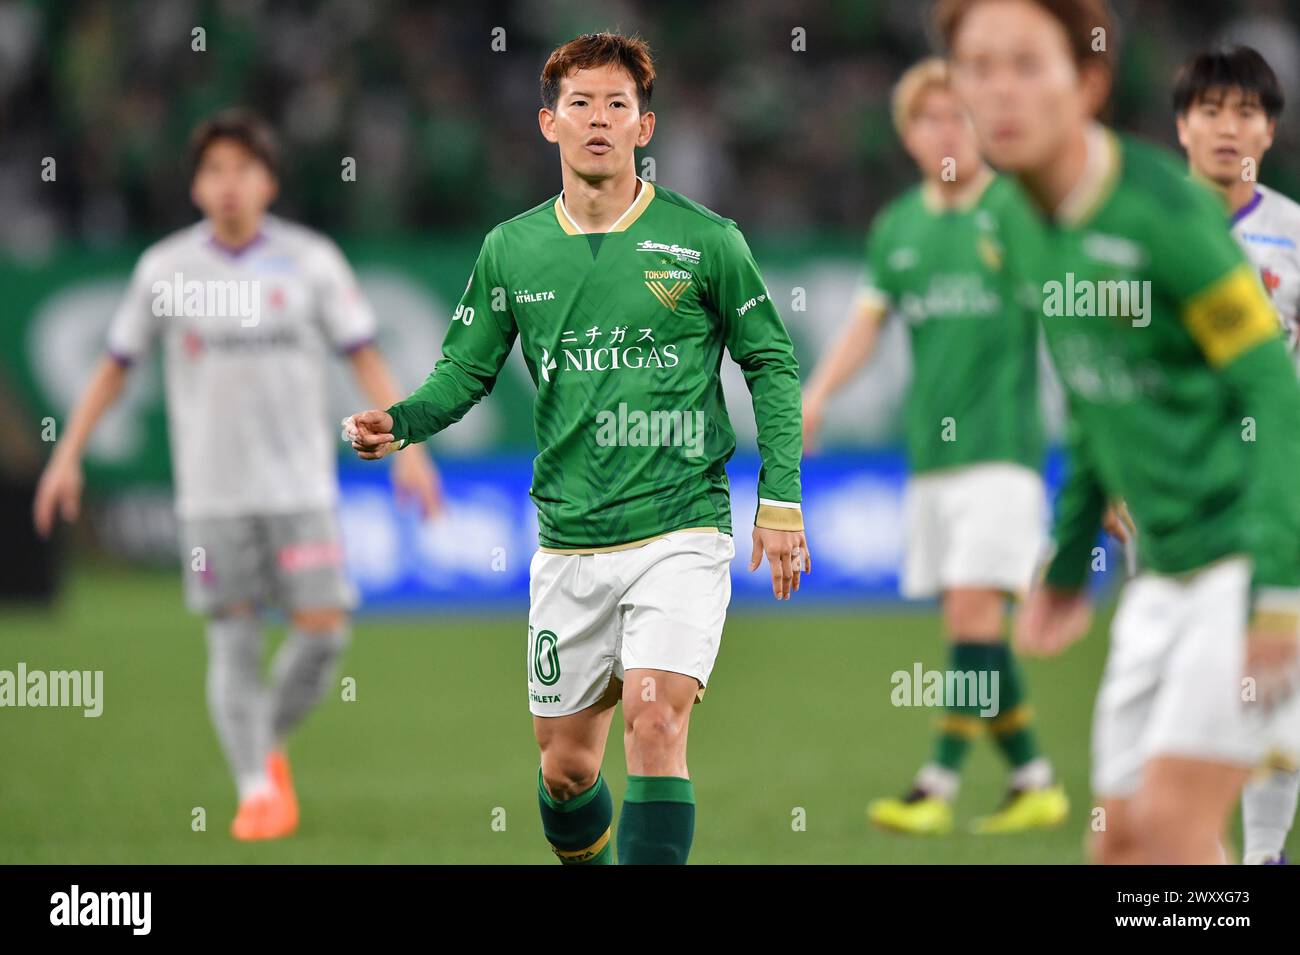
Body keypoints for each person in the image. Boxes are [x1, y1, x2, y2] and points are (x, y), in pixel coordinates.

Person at [344, 32, 808, 865]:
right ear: (547, 123)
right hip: (569, 539)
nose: (599, 118)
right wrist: (403, 420)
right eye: (581, 104)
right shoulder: (511, 250)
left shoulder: (706, 241)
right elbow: (465, 368)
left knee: (656, 720)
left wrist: (781, 498)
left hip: (683, 527)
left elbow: (770, 361)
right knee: (565, 768)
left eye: (617, 104)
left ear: (646, 126)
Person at [939, 0, 1300, 863]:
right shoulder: (1015, 225)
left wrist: (1280, 592)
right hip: (1161, 573)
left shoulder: (1167, 216)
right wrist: (1069, 559)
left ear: (1089, 81)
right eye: (977, 67)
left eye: (1026, 63)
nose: (999, 90)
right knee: (1124, 846)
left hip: (1247, 554)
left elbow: (1272, 392)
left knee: (1176, 836)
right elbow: (1098, 394)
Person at [33, 108, 442, 841]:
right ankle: (257, 788)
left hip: (301, 490)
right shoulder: (165, 269)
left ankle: (263, 741)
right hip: (212, 496)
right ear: (195, 186)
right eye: (214, 170)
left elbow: (365, 357)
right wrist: (65, 455)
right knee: (234, 637)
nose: (229, 184)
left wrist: (409, 444)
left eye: (243, 170)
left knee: (324, 633)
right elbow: (113, 367)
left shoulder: (312, 262)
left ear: (270, 181)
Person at [803, 58, 1065, 836]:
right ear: (908, 136)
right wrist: (815, 394)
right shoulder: (899, 226)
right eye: (928, 120)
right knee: (974, 625)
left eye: (958, 116)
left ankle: (936, 784)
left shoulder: (1017, 212)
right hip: (933, 459)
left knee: (972, 615)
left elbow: (1069, 320)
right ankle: (1034, 778)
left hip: (1003, 453)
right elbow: (866, 324)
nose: (944, 132)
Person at [1174, 44, 1300, 864]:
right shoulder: (1146, 231)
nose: (1231, 127)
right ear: (1181, 125)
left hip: (1273, 493)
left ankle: (1256, 865)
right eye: (1213, 110)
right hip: (1178, 494)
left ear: (1272, 127)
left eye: (1248, 111)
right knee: (1191, 700)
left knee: (1272, 684)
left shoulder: (1292, 233)